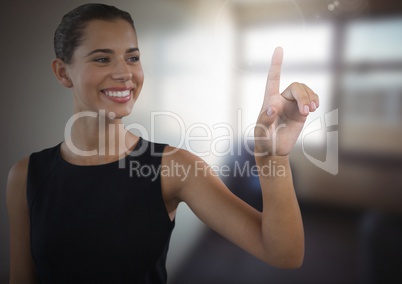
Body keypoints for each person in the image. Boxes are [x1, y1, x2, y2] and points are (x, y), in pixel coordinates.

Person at [6, 3, 319, 284]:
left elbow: (284, 253)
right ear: (63, 72)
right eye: (102, 59)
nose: (124, 73)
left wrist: (272, 157)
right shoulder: (26, 175)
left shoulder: (174, 167)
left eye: (133, 58)